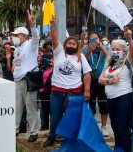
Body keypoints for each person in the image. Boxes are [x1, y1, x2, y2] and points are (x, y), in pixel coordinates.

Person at [43, 16, 91, 148]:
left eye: (73, 44)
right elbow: (54, 39)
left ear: (77, 46)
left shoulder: (80, 57)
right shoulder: (58, 53)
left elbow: (87, 74)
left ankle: (70, 140)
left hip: (74, 93)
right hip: (57, 93)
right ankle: (52, 137)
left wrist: (87, 90)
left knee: (72, 118)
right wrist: (52, 26)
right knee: (55, 118)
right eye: (69, 43)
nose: (71, 45)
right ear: (65, 45)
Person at [98, 27, 133, 152]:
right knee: (114, 125)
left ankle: (126, 148)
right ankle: (118, 147)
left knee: (123, 125)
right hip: (111, 98)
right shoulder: (109, 63)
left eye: (117, 49)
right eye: (112, 49)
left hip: (124, 97)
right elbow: (100, 79)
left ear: (124, 51)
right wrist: (109, 81)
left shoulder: (128, 61)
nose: (114, 51)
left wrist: (129, 37)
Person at [12, 10, 39, 142]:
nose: (14, 37)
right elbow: (16, 65)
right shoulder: (16, 49)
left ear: (23, 36)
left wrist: (33, 26)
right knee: (17, 108)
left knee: (30, 107)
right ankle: (15, 130)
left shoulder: (30, 45)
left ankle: (33, 131)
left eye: (17, 35)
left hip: (28, 80)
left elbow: (36, 38)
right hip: (17, 81)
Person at [82, 32, 110, 136]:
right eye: (91, 39)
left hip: (102, 79)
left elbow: (110, 58)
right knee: (90, 104)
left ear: (100, 38)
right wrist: (89, 50)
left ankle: (103, 127)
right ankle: (92, 126)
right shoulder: (85, 48)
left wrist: (101, 47)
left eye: (96, 38)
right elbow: (81, 60)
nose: (94, 40)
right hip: (90, 80)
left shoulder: (105, 47)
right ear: (89, 40)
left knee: (104, 104)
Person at [39, 53, 53, 131]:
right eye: (50, 59)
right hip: (42, 92)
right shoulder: (41, 69)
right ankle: (44, 126)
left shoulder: (54, 69)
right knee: (43, 110)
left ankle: (52, 127)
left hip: (50, 92)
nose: (52, 61)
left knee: (52, 110)